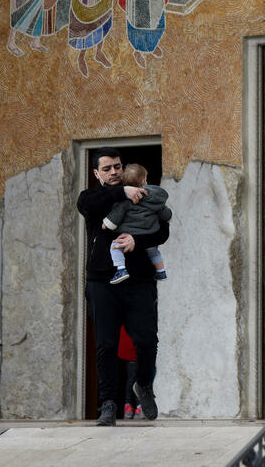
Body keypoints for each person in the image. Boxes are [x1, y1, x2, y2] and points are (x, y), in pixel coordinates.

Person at [78, 149, 169, 426]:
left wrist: (136, 242)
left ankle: (143, 385)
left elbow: (163, 230)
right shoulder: (91, 197)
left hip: (139, 280)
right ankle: (108, 404)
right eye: (106, 169)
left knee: (146, 339)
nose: (114, 172)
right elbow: (90, 206)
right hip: (101, 281)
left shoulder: (145, 194)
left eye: (117, 166)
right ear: (97, 174)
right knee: (105, 344)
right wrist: (123, 192)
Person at [104, 163, 172, 284]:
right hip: (150, 231)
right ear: (144, 180)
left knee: (115, 247)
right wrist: (167, 215)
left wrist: (106, 224)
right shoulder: (153, 199)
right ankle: (161, 271)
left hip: (131, 231)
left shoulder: (125, 201)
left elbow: (116, 216)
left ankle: (121, 269)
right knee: (153, 251)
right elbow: (165, 215)